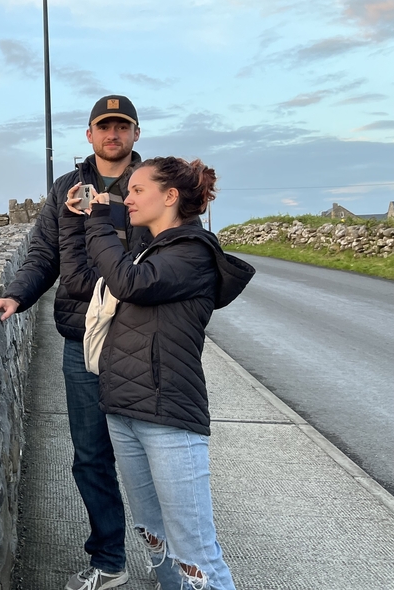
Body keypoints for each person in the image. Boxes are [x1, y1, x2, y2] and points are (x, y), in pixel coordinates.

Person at [0, 95, 151, 590]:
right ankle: (110, 561)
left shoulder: (153, 185)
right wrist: (15, 296)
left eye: (123, 126)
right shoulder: (65, 189)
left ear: (136, 134)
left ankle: (175, 564)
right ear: (90, 134)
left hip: (141, 339)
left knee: (154, 457)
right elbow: (42, 256)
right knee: (92, 455)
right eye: (104, 126)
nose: (113, 134)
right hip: (81, 342)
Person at [64, 157, 255, 590]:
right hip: (124, 411)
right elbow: (81, 281)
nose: (126, 199)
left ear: (170, 197)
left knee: (195, 554)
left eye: (136, 190)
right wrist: (71, 218)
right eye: (126, 191)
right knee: (154, 536)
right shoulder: (148, 251)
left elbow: (129, 283)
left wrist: (97, 217)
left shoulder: (193, 253)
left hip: (168, 416)